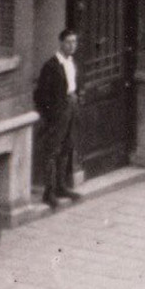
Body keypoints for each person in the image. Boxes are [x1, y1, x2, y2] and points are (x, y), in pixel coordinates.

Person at [33, 28, 83, 208]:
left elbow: (75, 85)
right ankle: (49, 191)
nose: (72, 46)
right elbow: (41, 95)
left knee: (67, 147)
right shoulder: (51, 66)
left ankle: (61, 186)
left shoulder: (72, 63)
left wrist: (77, 101)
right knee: (52, 150)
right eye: (69, 42)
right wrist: (51, 115)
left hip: (72, 107)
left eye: (75, 42)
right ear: (61, 43)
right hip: (58, 111)